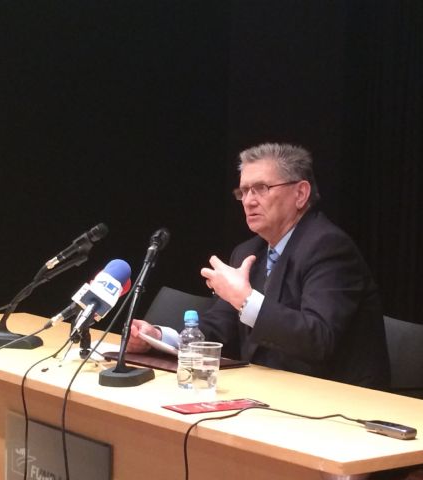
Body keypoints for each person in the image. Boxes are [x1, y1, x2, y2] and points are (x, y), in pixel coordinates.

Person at [128, 143, 390, 389]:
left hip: (336, 400)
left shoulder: (328, 247)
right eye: (244, 191)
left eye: (261, 188)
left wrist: (245, 299)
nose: (248, 201)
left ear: (300, 194)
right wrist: (158, 338)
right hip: (269, 390)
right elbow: (219, 329)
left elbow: (319, 338)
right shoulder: (248, 252)